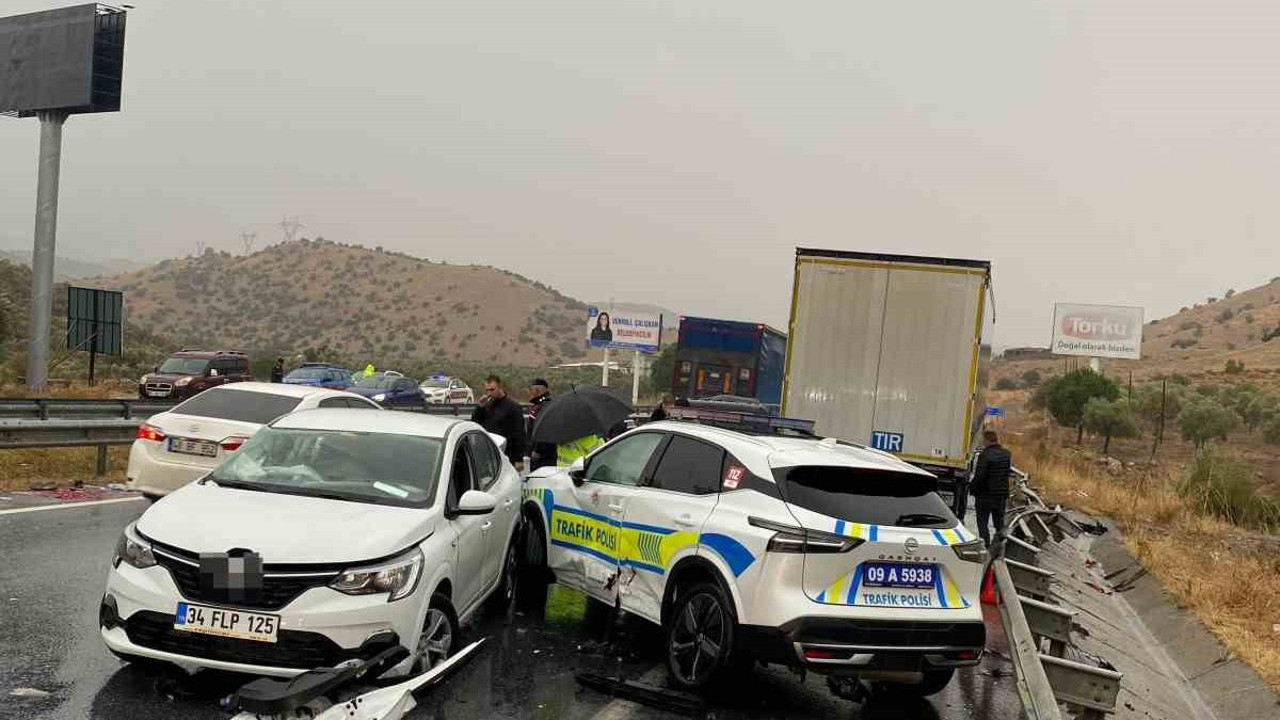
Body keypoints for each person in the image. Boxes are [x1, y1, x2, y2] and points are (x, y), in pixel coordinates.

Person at [471, 375, 527, 468]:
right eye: (487, 390)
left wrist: (519, 459)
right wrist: (479, 408)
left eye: (492, 389)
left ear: (500, 387)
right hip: (488, 453)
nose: (489, 393)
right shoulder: (487, 405)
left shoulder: (513, 407)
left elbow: (519, 433)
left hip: (506, 454)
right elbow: (476, 423)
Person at [970, 429, 1013, 546]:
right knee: (999, 524)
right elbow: (1006, 473)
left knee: (982, 523)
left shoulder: (984, 455)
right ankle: (1000, 547)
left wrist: (972, 489)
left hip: (985, 495)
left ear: (987, 440)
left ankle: (986, 547)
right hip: (1000, 496)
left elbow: (980, 476)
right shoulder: (1006, 454)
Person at [527, 378, 557, 470]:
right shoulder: (538, 404)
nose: (530, 393)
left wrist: (537, 450)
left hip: (543, 456)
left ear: (538, 390)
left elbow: (545, 429)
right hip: (537, 452)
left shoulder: (545, 405)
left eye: (531, 390)